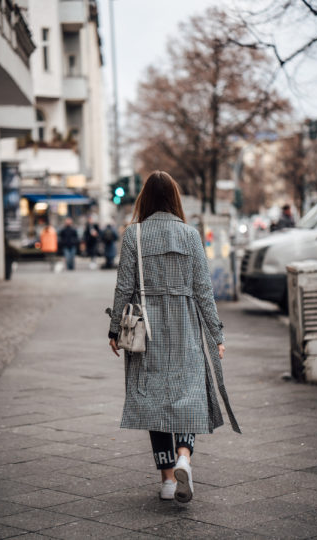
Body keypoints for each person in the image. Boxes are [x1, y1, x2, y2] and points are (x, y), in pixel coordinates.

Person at [107, 170, 241, 504]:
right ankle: (185, 456)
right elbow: (203, 291)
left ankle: (168, 480)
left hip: (147, 330)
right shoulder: (190, 235)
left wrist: (114, 330)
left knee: (154, 400)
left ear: (145, 199)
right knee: (189, 394)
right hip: (185, 327)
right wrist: (216, 334)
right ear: (175, 199)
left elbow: (124, 285)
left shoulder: (133, 235)